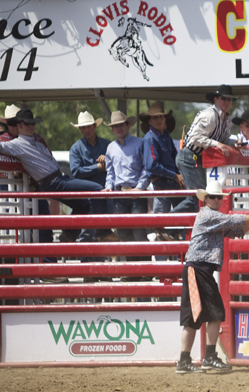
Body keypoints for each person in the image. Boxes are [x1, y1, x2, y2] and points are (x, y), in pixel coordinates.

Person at [176, 180, 249, 374]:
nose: (217, 200)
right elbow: (237, 222)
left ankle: (189, 360)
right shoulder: (210, 216)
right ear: (206, 199)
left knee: (197, 317)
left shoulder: (212, 217)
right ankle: (205, 357)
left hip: (199, 270)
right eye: (213, 197)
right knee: (211, 314)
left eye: (219, 197)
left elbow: (237, 230)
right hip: (198, 270)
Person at [0, 109, 106, 243]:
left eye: (32, 124)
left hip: (56, 180)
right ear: (19, 126)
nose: (31, 126)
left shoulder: (37, 141)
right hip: (53, 182)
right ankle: (104, 231)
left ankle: (69, 235)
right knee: (98, 188)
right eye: (27, 124)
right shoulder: (16, 144)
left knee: (85, 204)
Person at [178, 84, 239, 212]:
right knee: (199, 197)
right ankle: (166, 222)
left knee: (201, 198)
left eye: (229, 99)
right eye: (223, 98)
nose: (227, 102)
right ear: (215, 99)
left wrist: (236, 142)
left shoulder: (226, 118)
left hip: (197, 159)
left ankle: (175, 228)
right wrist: (218, 144)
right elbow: (194, 138)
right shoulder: (210, 115)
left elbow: (224, 140)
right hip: (189, 156)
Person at [104, 110, 150, 272]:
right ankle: (133, 271)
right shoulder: (110, 148)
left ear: (127, 125)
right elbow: (110, 172)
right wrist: (108, 186)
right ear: (112, 129)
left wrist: (140, 187)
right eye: (115, 126)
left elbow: (147, 167)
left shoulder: (140, 143)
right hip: (118, 194)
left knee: (138, 233)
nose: (118, 129)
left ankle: (144, 270)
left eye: (121, 125)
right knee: (124, 235)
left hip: (136, 192)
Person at [70, 110, 116, 243]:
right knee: (88, 230)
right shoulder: (76, 148)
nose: (86, 130)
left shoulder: (108, 145)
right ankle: (87, 259)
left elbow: (117, 164)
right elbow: (76, 171)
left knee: (100, 228)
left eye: (89, 126)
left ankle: (99, 259)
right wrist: (98, 167)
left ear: (95, 126)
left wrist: (108, 160)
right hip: (88, 195)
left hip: (106, 192)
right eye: (83, 127)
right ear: (80, 129)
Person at [140, 102, 184, 240]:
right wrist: (175, 176)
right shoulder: (149, 138)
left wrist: (180, 175)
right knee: (162, 224)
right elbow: (151, 165)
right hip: (162, 184)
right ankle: (169, 232)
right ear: (149, 121)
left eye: (161, 117)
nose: (159, 120)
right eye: (155, 118)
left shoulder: (165, 136)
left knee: (182, 212)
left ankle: (171, 233)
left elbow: (174, 158)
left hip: (171, 183)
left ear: (165, 119)